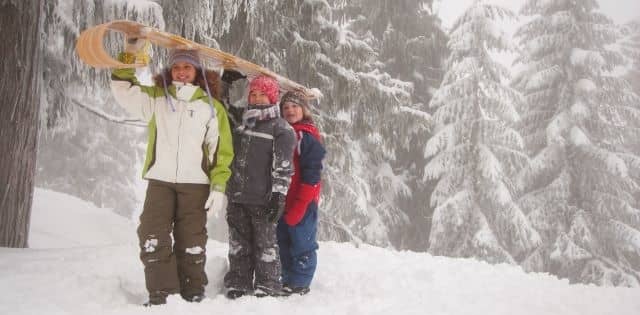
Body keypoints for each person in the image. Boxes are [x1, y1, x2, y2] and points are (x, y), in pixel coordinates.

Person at [110, 40, 233, 306]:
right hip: (160, 181)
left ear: (197, 71)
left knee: (192, 240)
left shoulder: (211, 108)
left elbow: (221, 151)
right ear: (170, 70)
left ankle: (192, 295)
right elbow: (123, 88)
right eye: (176, 66)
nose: (181, 71)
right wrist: (129, 54)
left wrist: (218, 186)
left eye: (187, 66)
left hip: (196, 184)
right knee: (152, 236)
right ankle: (163, 295)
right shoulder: (157, 99)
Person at [223, 75, 296, 299]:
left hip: (263, 199)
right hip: (237, 195)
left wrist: (278, 196)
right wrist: (225, 83)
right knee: (238, 243)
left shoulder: (281, 128)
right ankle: (239, 281)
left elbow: (283, 167)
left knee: (265, 245)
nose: (256, 98)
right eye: (253, 93)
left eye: (262, 94)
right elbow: (219, 108)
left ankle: (268, 285)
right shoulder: (242, 119)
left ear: (272, 97)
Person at [276, 91, 326, 295]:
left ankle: (300, 282)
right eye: (285, 108)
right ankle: (288, 278)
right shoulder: (283, 133)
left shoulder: (305, 135)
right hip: (284, 201)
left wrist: (302, 203)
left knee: (302, 242)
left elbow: (313, 175)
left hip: (303, 202)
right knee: (284, 241)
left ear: (304, 110)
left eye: (295, 106)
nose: (290, 111)